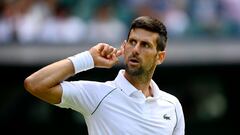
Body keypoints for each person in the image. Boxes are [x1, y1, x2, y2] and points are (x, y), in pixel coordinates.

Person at [24, 16, 185, 135]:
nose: (135, 49)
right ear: (124, 46)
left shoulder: (172, 105)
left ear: (160, 57)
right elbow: (35, 84)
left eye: (145, 45)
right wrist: (88, 59)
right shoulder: (97, 95)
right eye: (132, 42)